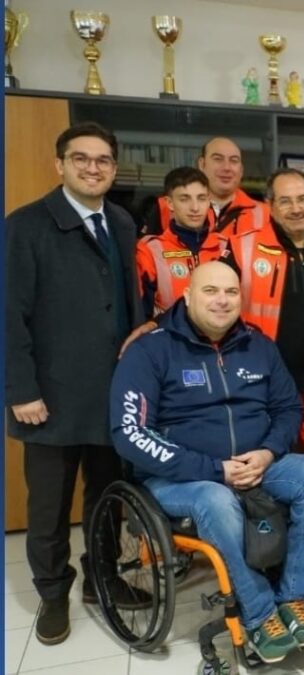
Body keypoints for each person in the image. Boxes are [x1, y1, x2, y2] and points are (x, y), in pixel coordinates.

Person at [109, 261, 304, 665]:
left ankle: (293, 600)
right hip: (181, 478)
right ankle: (261, 612)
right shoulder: (149, 350)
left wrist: (266, 452)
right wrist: (214, 469)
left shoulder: (258, 345)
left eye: (231, 292)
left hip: (256, 463)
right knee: (215, 499)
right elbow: (130, 433)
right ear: (187, 295)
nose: (222, 300)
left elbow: (287, 409)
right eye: (210, 291)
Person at [6, 122, 147, 646]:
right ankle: (51, 594)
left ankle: (102, 578)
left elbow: (129, 305)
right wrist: (21, 390)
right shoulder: (25, 226)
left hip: (112, 394)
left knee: (107, 496)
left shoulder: (122, 222)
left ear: (114, 167)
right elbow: (9, 316)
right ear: (59, 164)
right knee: (48, 507)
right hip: (50, 398)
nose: (93, 168)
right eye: (81, 158)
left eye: (104, 160)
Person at [222, 168, 304, 450]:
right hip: (263, 382)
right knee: (271, 463)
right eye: (286, 201)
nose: (296, 209)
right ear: (270, 205)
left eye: (302, 199)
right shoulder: (243, 247)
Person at [137, 167, 222, 318]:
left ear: (209, 200)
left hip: (221, 339)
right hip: (169, 338)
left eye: (201, 198)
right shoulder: (151, 251)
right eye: (184, 199)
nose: (195, 208)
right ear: (169, 203)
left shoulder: (227, 247)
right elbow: (141, 314)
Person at [142, 137, 266, 237]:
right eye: (218, 159)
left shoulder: (264, 213)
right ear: (202, 164)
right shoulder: (165, 207)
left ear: (241, 170)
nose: (227, 168)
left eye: (234, 161)